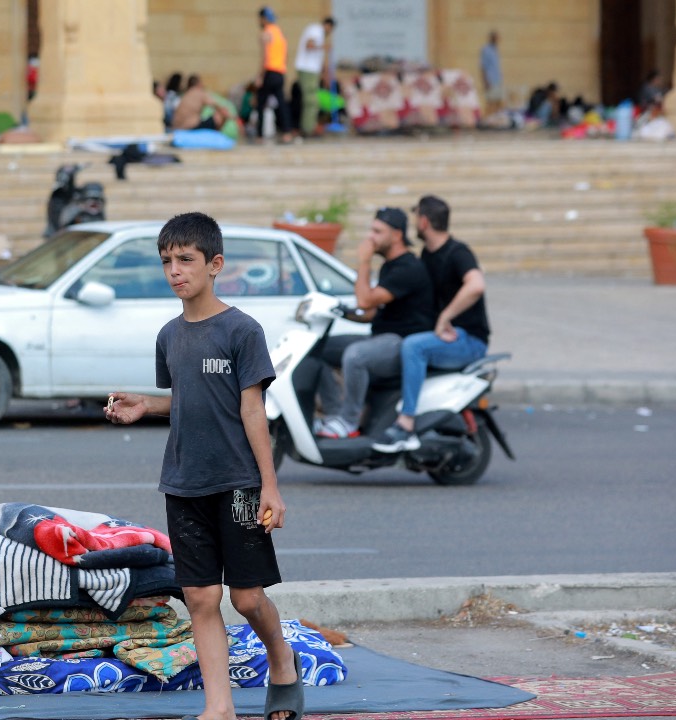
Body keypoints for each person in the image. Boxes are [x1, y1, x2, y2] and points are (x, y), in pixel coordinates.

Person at [104, 212, 305, 720]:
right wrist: (146, 405)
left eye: (186, 260)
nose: (175, 271)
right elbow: (193, 398)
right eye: (167, 261)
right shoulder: (169, 335)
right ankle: (220, 708)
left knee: (247, 597)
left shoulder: (242, 330)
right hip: (183, 481)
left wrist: (270, 487)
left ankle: (281, 659)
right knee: (198, 596)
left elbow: (250, 408)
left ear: (214, 265)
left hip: (238, 484)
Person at [374, 196, 490, 454]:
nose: (415, 224)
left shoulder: (457, 252)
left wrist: (445, 317)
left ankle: (406, 425)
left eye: (417, 218)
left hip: (469, 340)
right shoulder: (427, 254)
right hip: (447, 337)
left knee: (414, 347)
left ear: (424, 221)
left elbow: (476, 285)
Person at [315, 207, 434, 439]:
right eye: (371, 230)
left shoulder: (408, 268)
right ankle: (334, 414)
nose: (371, 237)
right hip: (381, 337)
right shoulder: (391, 265)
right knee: (318, 348)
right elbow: (369, 312)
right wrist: (339, 311)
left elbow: (365, 299)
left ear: (397, 235)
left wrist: (364, 260)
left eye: (378, 231)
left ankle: (349, 422)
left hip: (401, 342)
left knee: (355, 355)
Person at [256, 7, 295, 143]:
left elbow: (265, 57)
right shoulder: (279, 33)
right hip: (280, 72)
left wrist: (260, 76)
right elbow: (285, 56)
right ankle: (287, 132)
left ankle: (259, 135)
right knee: (282, 103)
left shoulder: (266, 33)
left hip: (270, 71)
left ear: (263, 19)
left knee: (260, 102)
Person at [294, 17, 335, 138]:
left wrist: (325, 74)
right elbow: (309, 45)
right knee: (311, 100)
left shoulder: (320, 34)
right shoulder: (316, 30)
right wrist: (324, 47)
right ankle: (307, 129)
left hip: (312, 71)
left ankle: (309, 126)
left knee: (313, 100)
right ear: (328, 25)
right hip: (307, 69)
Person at [480, 31, 503, 116]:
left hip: (497, 79)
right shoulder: (486, 50)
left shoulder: (495, 49)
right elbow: (483, 66)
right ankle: (486, 119)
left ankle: (496, 119)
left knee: (498, 101)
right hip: (491, 79)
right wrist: (485, 80)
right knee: (490, 102)